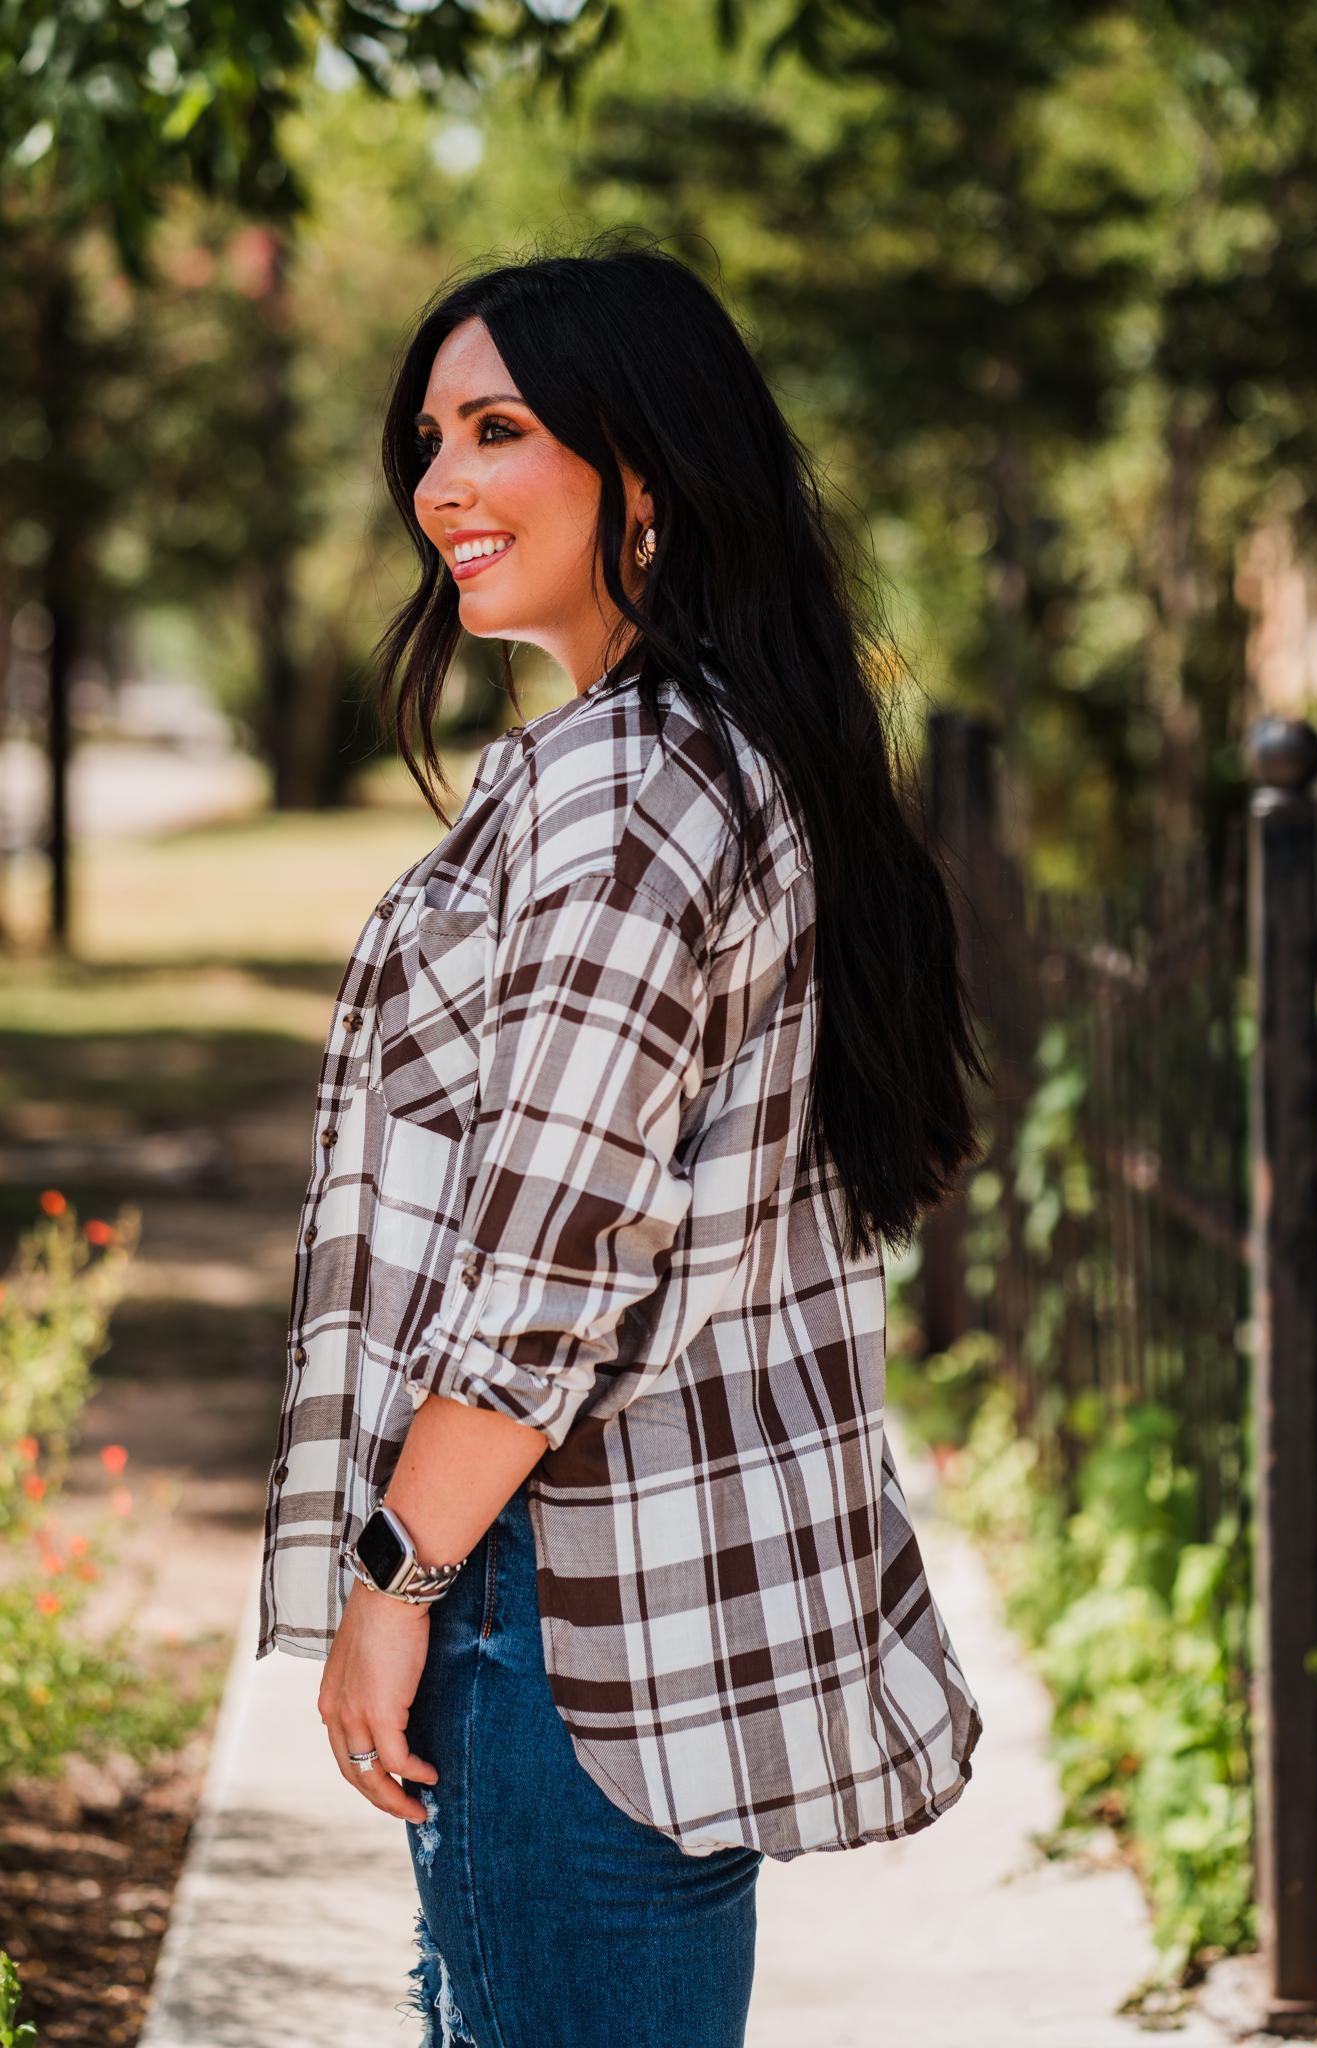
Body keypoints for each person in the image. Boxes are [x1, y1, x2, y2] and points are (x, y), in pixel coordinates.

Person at [255, 232, 987, 2048]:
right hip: (632, 1632)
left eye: (495, 429)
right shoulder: (718, 754)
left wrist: (392, 1586)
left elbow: (546, 1266)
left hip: (541, 1610)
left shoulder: (631, 792)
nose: (441, 486)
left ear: (641, 471)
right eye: (426, 438)